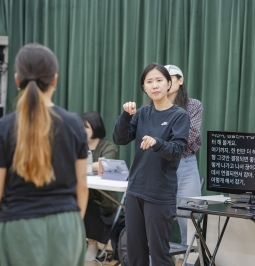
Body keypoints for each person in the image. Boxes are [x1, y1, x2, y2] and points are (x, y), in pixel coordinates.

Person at [0, 43, 89, 266]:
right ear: (54, 80)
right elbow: (82, 185)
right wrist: (72, 226)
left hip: (19, 227)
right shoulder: (74, 124)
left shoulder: (3, 127)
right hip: (66, 225)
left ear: (17, 80)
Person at [113, 62, 189, 265]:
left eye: (159, 80)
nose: (154, 85)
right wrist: (125, 116)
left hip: (160, 194)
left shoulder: (179, 116)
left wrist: (157, 143)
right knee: (135, 253)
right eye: (149, 81)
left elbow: (176, 151)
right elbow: (120, 139)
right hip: (135, 191)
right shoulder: (141, 113)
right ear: (144, 87)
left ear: (169, 83)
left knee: (159, 254)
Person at [164, 64, 202, 246]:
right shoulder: (150, 107)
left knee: (190, 218)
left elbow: (190, 136)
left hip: (185, 164)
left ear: (180, 80)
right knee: (156, 218)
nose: (168, 82)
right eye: (165, 78)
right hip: (159, 166)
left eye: (172, 78)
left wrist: (161, 140)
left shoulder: (193, 105)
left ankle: (190, 261)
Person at [80, 111, 118, 261]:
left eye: (85, 127)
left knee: (89, 206)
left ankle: (92, 243)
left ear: (95, 127)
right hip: (81, 194)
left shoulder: (109, 147)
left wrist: (79, 165)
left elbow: (105, 165)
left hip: (103, 199)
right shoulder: (78, 146)